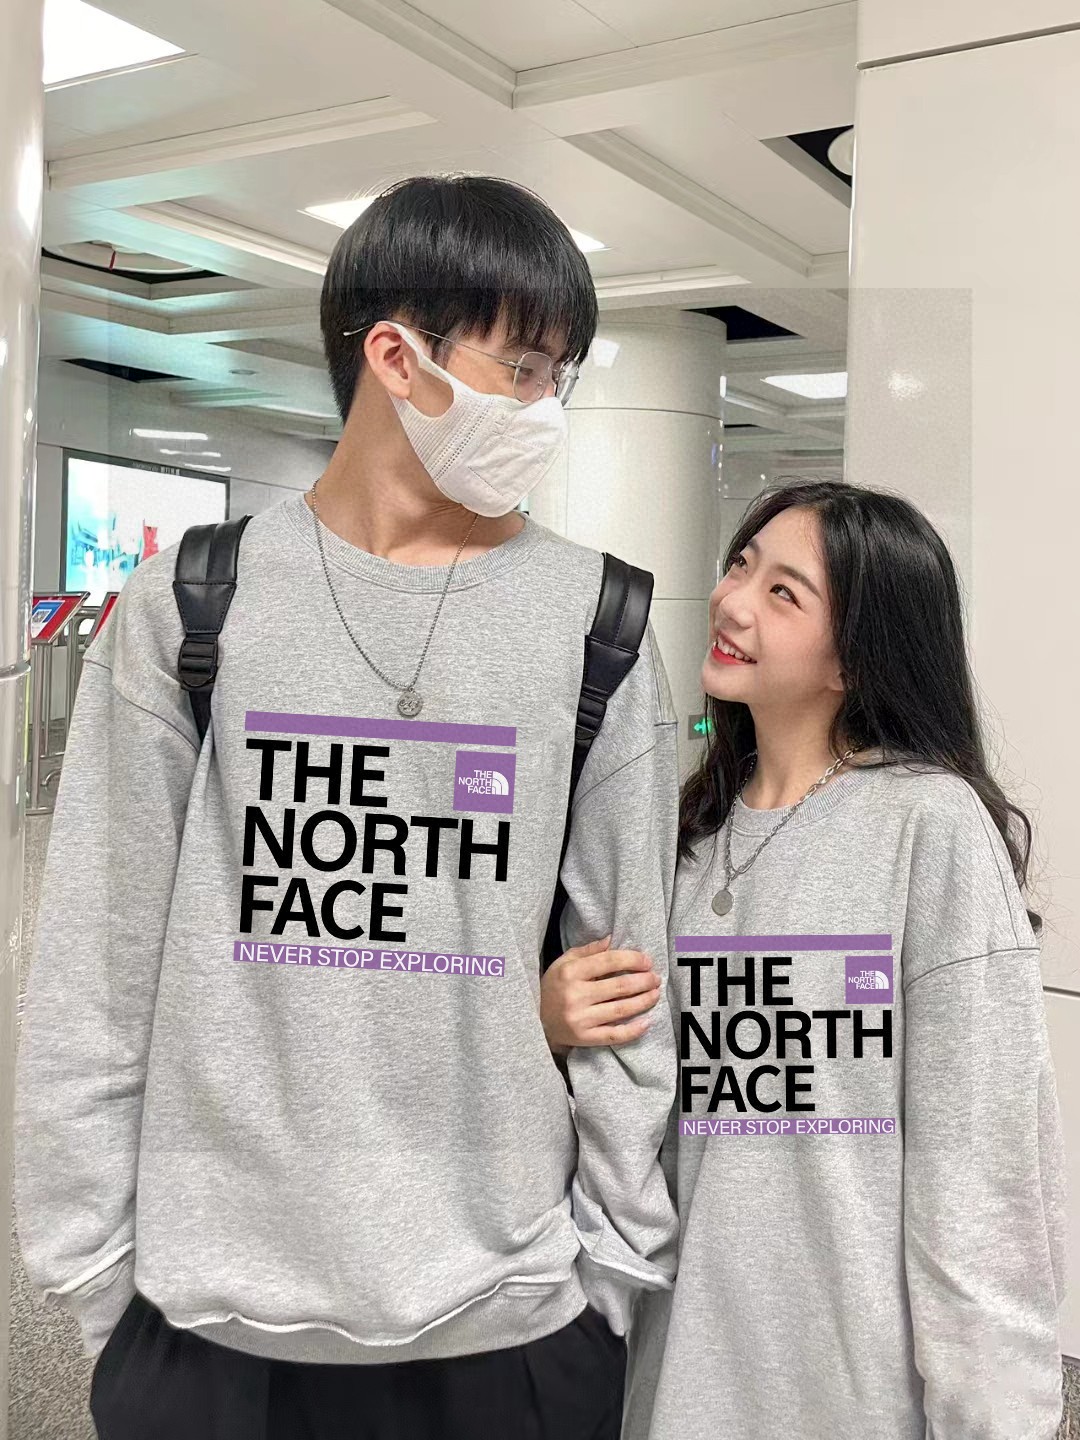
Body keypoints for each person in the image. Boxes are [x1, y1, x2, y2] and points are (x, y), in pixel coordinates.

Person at [15, 174, 680, 1440]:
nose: (545, 408)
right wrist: (95, 1276)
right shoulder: (189, 606)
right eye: (523, 369)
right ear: (396, 358)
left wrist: (607, 1272)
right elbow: (97, 973)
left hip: (509, 1321)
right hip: (207, 1327)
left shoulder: (599, 624)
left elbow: (630, 977)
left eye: (561, 375)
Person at [540, 480, 1067, 1440]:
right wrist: (551, 1022)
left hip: (853, 1395)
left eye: (785, 593)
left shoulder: (928, 825)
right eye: (741, 565)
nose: (733, 601)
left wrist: (994, 1419)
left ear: (856, 656)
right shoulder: (680, 838)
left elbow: (980, 1176)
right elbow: (630, 1122)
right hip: (675, 1380)